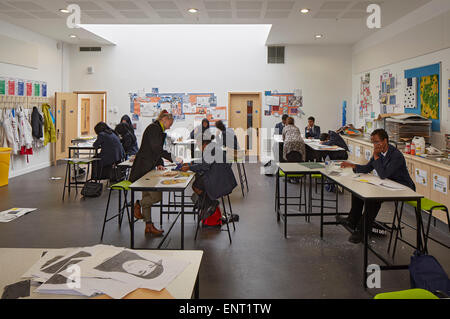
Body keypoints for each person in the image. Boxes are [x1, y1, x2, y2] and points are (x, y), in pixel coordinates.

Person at [337, 129, 416, 244]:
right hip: (388, 185)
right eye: (373, 143)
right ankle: (352, 220)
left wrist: (375, 155)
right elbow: (367, 168)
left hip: (403, 187)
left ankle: (361, 231)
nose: (375, 145)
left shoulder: (396, 155)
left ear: (385, 141)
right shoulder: (379, 153)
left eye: (377, 142)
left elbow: (383, 174)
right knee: (358, 191)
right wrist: (352, 165)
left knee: (373, 200)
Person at [129, 112, 177, 236]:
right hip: (143, 167)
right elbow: (156, 148)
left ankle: (148, 226)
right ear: (164, 119)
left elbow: (155, 149)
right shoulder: (154, 129)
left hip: (148, 167)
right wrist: (173, 157)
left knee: (147, 196)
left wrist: (159, 162)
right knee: (155, 197)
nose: (170, 127)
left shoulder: (157, 129)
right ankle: (138, 204)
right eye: (170, 124)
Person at [181, 133, 237, 220]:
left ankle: (210, 203)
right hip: (223, 179)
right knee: (198, 181)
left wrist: (189, 167)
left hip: (220, 182)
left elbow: (204, 166)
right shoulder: (212, 147)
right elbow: (205, 162)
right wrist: (192, 163)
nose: (198, 147)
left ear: (204, 144)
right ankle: (207, 204)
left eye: (198, 145)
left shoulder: (210, 150)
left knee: (196, 186)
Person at [282, 117, 306, 183]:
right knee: (298, 160)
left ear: (286, 122)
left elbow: (283, 138)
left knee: (289, 160)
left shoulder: (285, 128)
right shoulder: (296, 128)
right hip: (300, 144)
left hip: (289, 144)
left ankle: (289, 177)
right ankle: (297, 177)